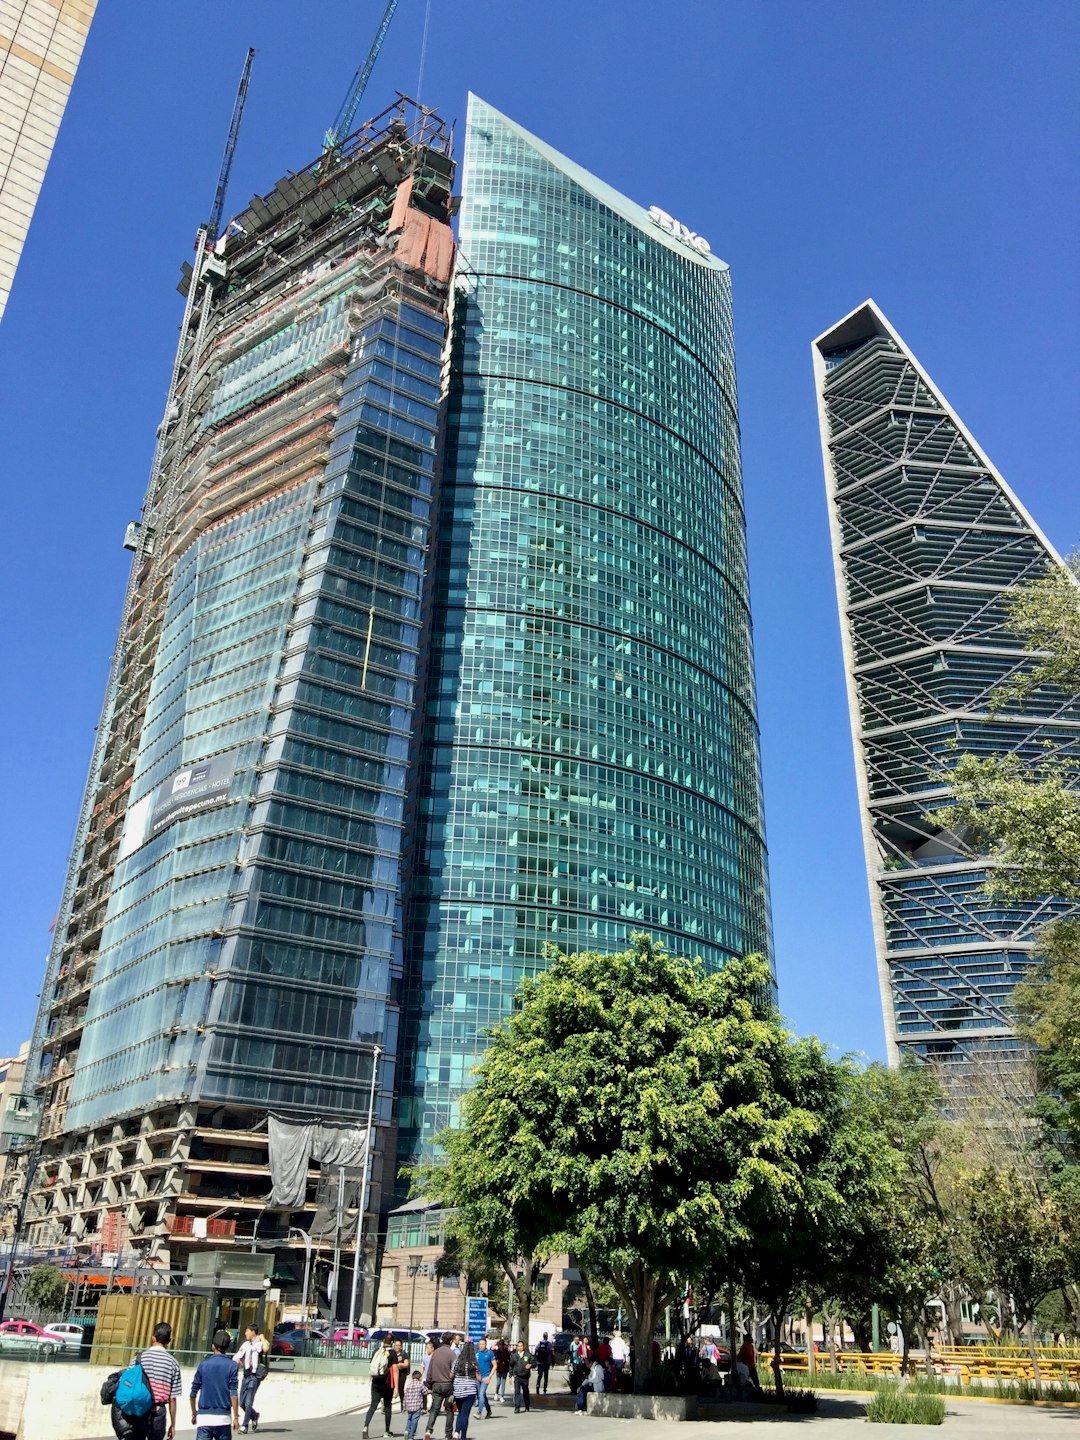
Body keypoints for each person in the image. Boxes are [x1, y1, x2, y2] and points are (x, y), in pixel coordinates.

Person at [119, 1320, 182, 1440]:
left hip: (138, 1410)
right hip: (158, 1412)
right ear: (169, 1341)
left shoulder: (138, 1359)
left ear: (153, 1338)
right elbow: (173, 1398)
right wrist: (173, 1424)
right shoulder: (173, 1363)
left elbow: (126, 1384)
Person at [190, 1329, 240, 1440]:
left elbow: (193, 1393)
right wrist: (236, 1417)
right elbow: (234, 1394)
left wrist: (194, 1413)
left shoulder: (203, 1365)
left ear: (213, 1346)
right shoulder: (232, 1366)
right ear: (227, 1348)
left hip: (204, 1418)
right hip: (223, 1418)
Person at [234, 1322, 268, 1433]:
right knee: (242, 1403)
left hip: (255, 1376)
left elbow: (266, 1348)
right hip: (246, 1376)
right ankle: (254, 1416)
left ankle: (244, 1426)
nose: (245, 1333)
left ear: (253, 1332)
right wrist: (237, 1360)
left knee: (249, 1401)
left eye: (247, 1331)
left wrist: (262, 1337)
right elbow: (237, 1356)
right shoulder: (245, 1345)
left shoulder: (259, 1344)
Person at [424, 1331, 457, 1440]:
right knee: (449, 1410)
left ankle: (428, 1430)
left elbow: (429, 1371)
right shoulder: (452, 1354)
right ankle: (448, 1434)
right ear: (451, 1341)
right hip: (448, 1385)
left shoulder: (436, 1353)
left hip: (436, 1385)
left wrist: (429, 1383)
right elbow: (455, 1371)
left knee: (434, 1409)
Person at [363, 1336, 396, 1439]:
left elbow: (371, 1366)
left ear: (383, 1341)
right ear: (392, 1342)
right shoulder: (393, 1353)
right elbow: (395, 1370)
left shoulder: (377, 1351)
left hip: (376, 1382)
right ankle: (387, 1430)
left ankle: (365, 1427)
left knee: (373, 1405)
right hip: (387, 1384)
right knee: (387, 1406)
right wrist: (396, 1387)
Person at [452, 1340, 479, 1440]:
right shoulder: (473, 1362)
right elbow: (478, 1377)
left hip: (458, 1390)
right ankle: (463, 1436)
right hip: (469, 1391)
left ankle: (456, 1433)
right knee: (465, 1414)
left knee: (460, 1413)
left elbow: (452, 1374)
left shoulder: (457, 1361)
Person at [403, 1369, 427, 1440]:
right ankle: (411, 1436)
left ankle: (407, 1430)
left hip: (409, 1406)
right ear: (419, 1378)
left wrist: (404, 1406)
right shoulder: (420, 1384)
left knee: (409, 1419)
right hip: (417, 1406)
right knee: (414, 1420)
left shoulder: (408, 1385)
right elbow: (425, 1391)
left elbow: (405, 1397)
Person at [474, 1337, 494, 1418]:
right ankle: (489, 1410)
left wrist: (489, 1376)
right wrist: (476, 1374)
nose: (481, 1346)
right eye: (480, 1344)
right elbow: (474, 1365)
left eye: (483, 1344)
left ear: (486, 1345)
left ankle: (479, 1412)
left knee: (481, 1394)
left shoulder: (489, 1353)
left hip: (485, 1377)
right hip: (478, 1377)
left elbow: (495, 1365)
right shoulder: (477, 1353)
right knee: (481, 1395)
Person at [511, 1339, 533, 1413]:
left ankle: (527, 1405)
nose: (519, 1347)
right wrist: (510, 1375)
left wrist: (531, 1365)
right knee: (517, 1392)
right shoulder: (514, 1356)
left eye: (521, 1346)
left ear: (523, 1347)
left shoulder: (528, 1355)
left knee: (525, 1392)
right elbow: (511, 1365)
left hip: (525, 1377)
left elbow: (534, 1363)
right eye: (518, 1346)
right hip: (517, 1376)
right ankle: (517, 1407)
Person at [493, 1338, 510, 1403]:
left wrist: (505, 1362)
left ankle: (502, 1396)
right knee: (498, 1382)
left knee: (503, 1382)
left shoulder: (506, 1351)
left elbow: (508, 1359)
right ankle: (496, 1393)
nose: (501, 1346)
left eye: (502, 1344)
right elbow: (495, 1358)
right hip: (499, 1368)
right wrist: (497, 1361)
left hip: (504, 1368)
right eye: (499, 1344)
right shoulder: (497, 1352)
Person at [393, 1339, 408, 1412]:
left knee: (400, 1389)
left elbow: (406, 1364)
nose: (398, 1347)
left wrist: (401, 1365)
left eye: (399, 1345)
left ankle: (403, 1405)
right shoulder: (391, 1353)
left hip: (402, 1374)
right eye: (396, 1345)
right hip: (393, 1374)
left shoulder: (404, 1354)